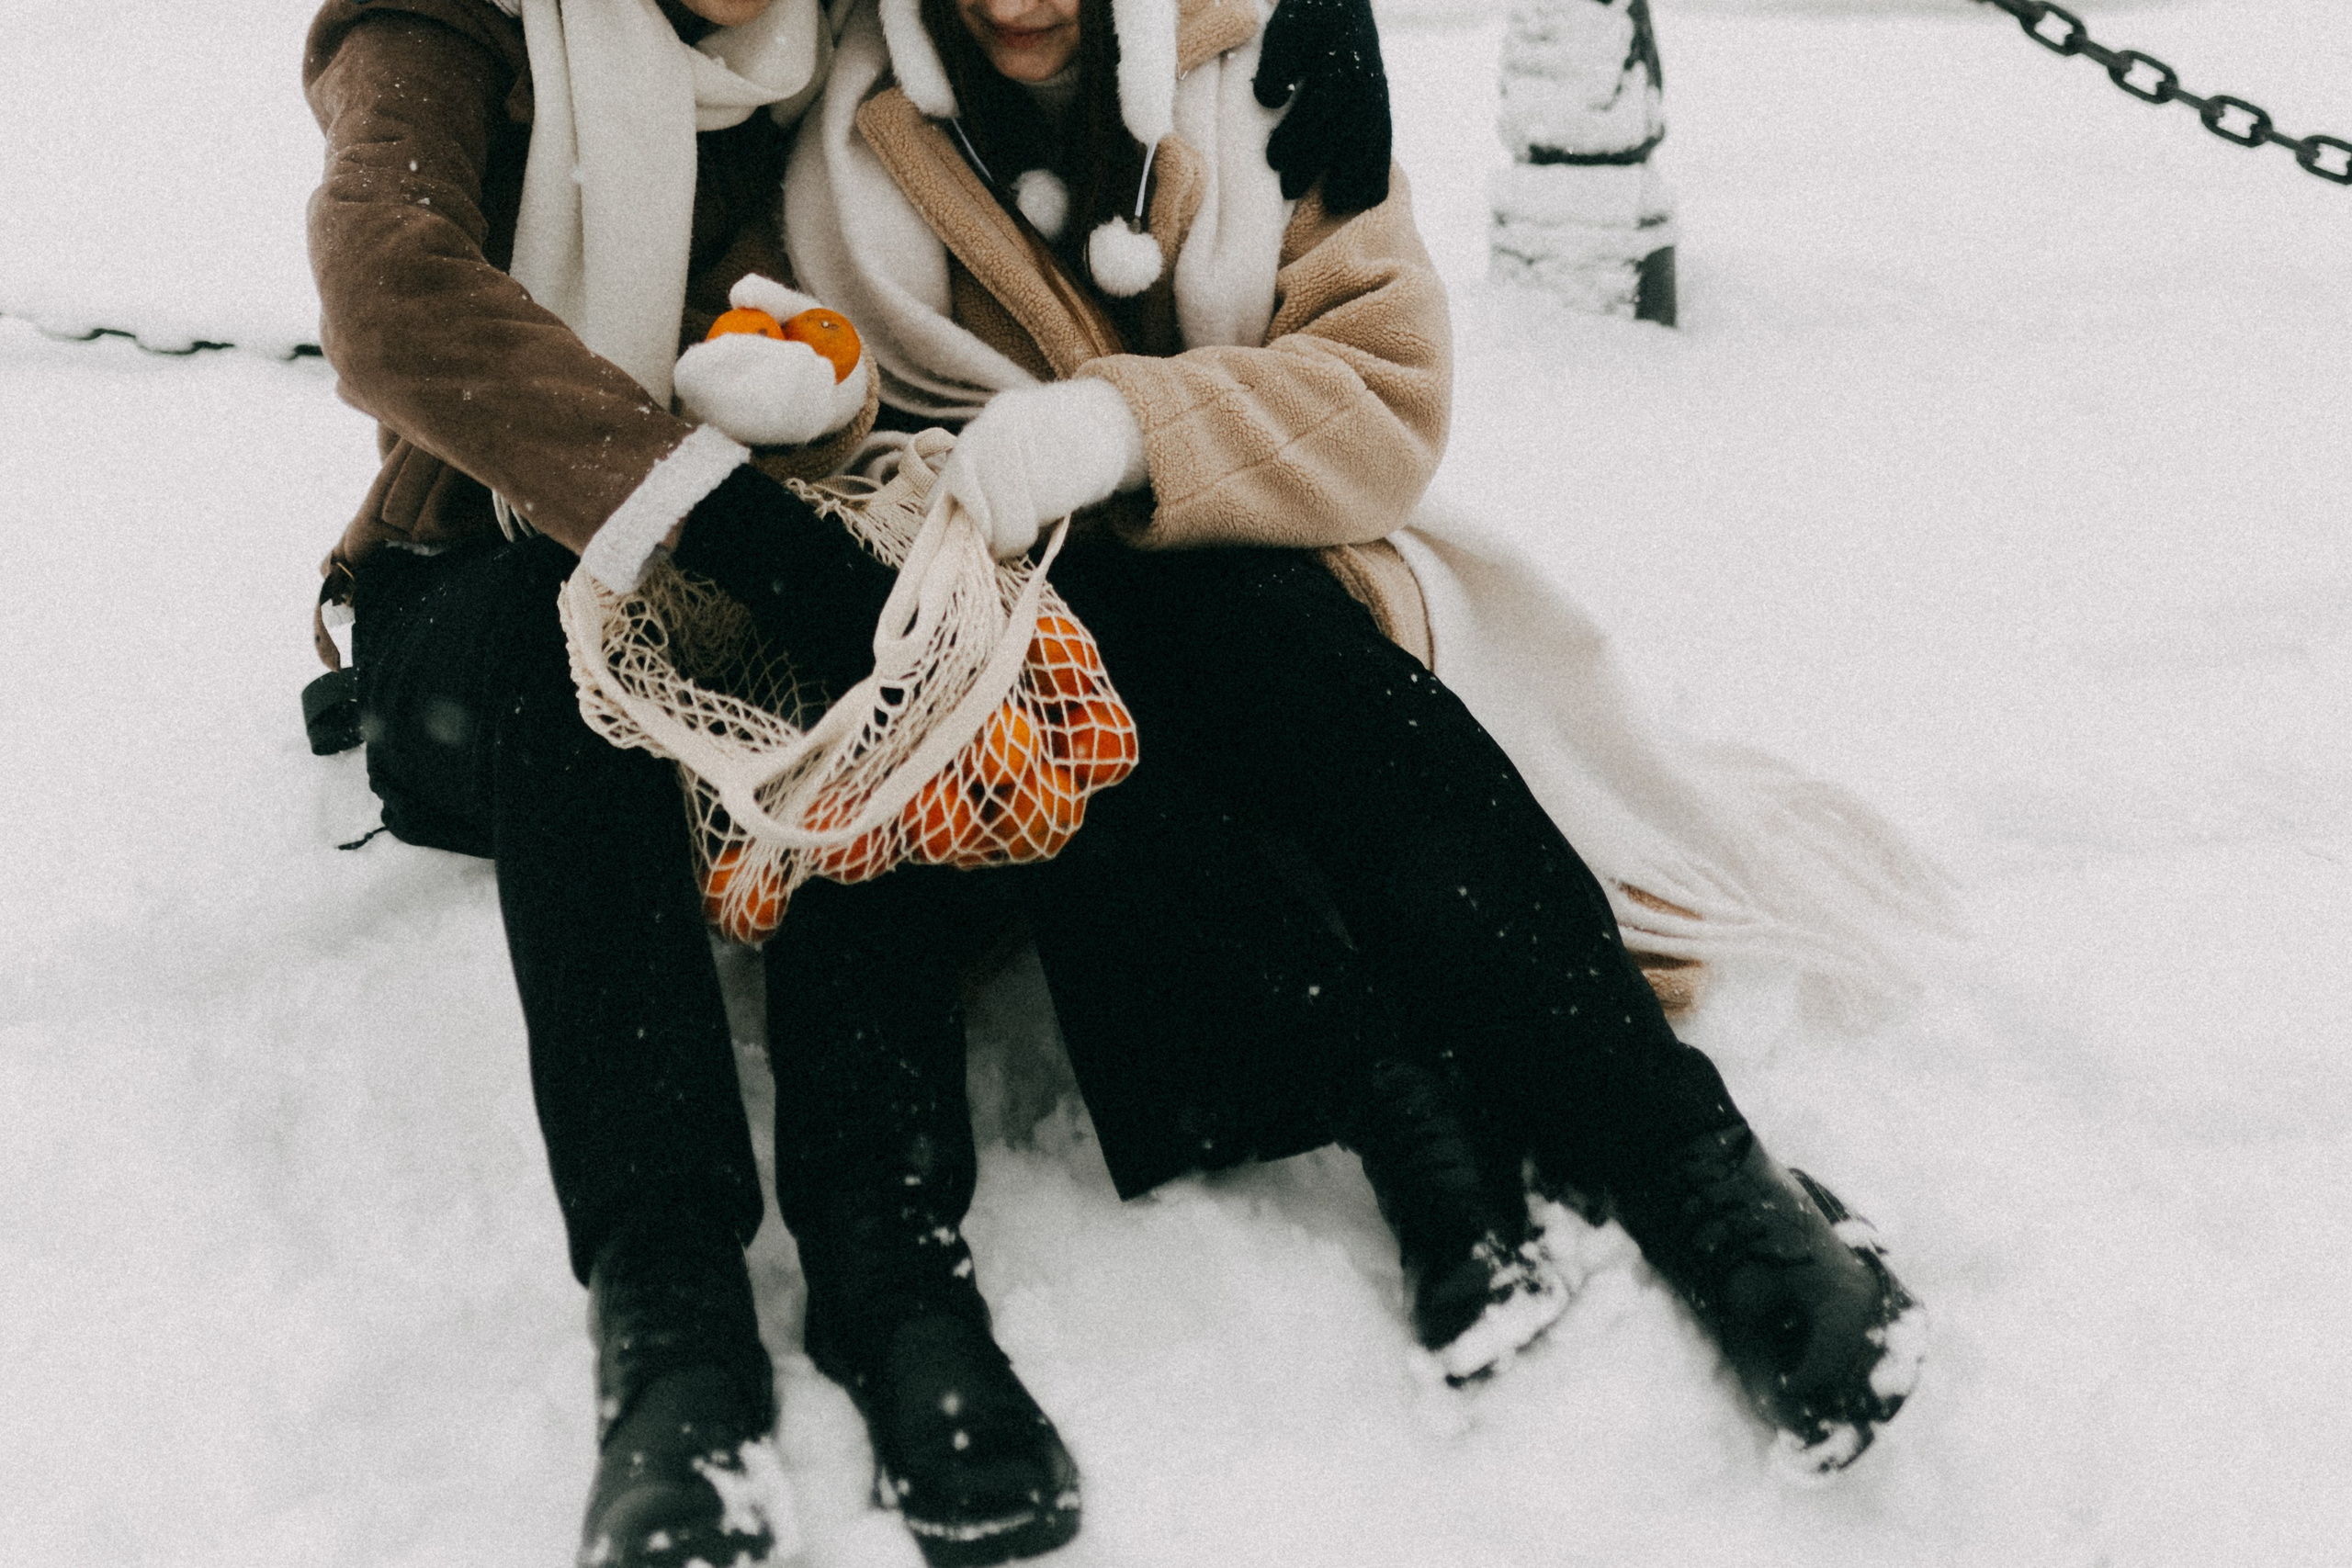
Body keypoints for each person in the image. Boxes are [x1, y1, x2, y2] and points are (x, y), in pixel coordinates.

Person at [726, 0, 1928, 1562]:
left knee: (1240, 633)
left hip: (1266, 600)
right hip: (975, 634)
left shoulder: (1266, 67)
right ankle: (974, 1251)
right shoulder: (813, 107)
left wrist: (1119, 429)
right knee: (979, 699)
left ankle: (1675, 1151)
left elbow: (1387, 393)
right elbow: (746, 338)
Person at [299, 1, 1399, 1565]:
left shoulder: (828, 34)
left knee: (901, 647)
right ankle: (672, 1333)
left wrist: (1308, 11)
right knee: (572, 660)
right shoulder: (450, 17)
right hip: (476, 580)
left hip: (759, 532)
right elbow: (390, 289)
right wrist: (712, 521)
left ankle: (892, 1263)